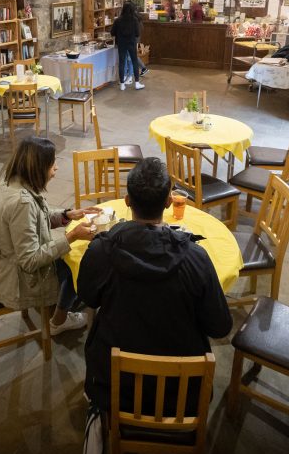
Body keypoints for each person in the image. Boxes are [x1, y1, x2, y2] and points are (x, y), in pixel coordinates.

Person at [77, 157, 232, 413]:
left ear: (127, 201)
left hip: (114, 387)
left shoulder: (101, 251)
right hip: (181, 393)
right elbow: (220, 326)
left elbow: (87, 297)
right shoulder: (196, 258)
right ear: (169, 201)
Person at [0, 136, 101, 335]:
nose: (56, 168)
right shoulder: (22, 203)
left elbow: (35, 218)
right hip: (16, 281)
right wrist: (72, 235)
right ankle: (60, 319)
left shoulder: (10, 184)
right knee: (81, 263)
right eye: (52, 164)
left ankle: (64, 307)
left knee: (72, 255)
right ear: (38, 168)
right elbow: (30, 261)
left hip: (2, 266)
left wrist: (66, 215)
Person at [111, 1, 144, 91]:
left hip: (121, 43)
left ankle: (122, 84)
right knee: (134, 62)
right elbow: (137, 34)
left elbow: (112, 32)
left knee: (122, 63)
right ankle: (137, 83)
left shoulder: (118, 20)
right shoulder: (134, 20)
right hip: (131, 43)